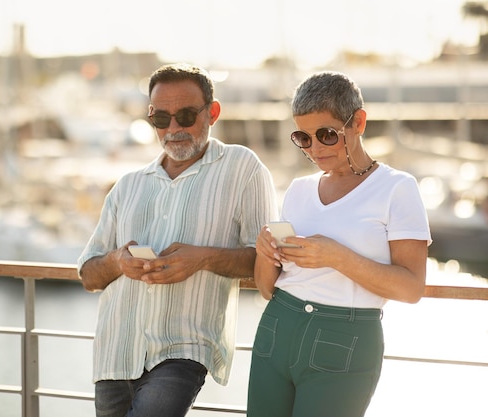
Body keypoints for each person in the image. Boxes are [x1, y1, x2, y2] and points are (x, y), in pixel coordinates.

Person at [77, 63, 278, 417]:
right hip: (114, 355)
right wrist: (116, 262)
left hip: (182, 351)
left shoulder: (243, 168)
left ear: (212, 112)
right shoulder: (128, 185)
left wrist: (201, 258)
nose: (173, 129)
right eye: (161, 119)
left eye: (185, 115)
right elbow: (88, 274)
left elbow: (263, 260)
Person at [247, 71, 431, 417]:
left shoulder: (397, 188)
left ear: (358, 122)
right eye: (303, 137)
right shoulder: (299, 190)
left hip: (345, 340)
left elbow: (411, 289)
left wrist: (336, 256)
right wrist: (264, 251)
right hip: (276, 328)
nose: (314, 148)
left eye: (327, 135)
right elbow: (266, 287)